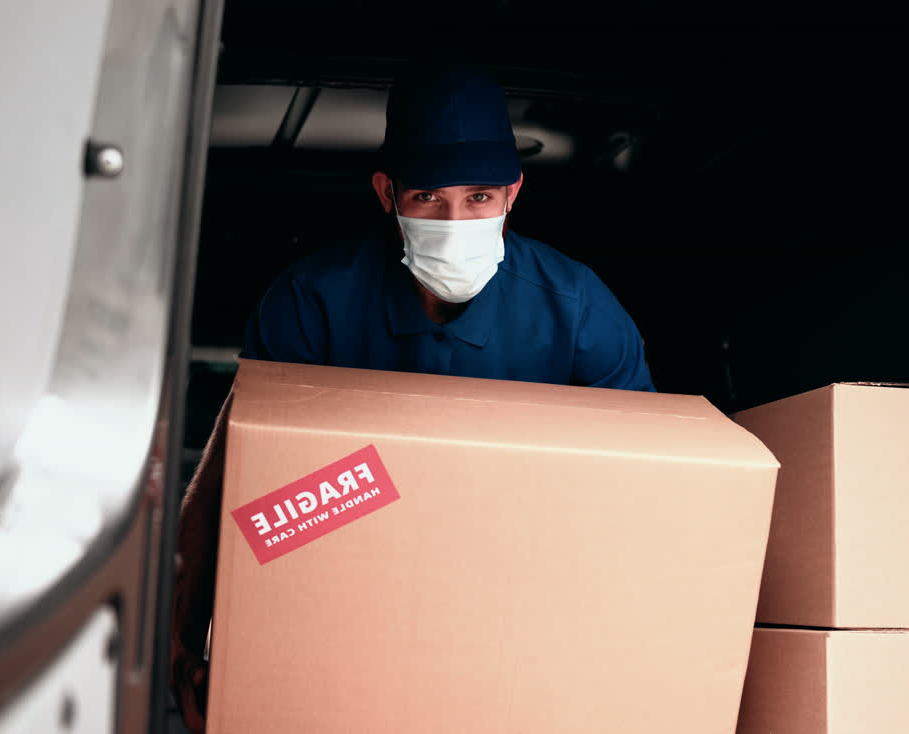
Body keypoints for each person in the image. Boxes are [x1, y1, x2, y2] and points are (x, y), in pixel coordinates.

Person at [170, 62, 654, 732]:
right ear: (386, 192)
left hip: (520, 606)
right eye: (428, 197)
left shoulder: (578, 310)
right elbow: (243, 473)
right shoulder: (314, 301)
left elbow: (644, 490)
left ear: (513, 192)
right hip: (345, 599)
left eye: (479, 197)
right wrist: (183, 640)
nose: (455, 221)